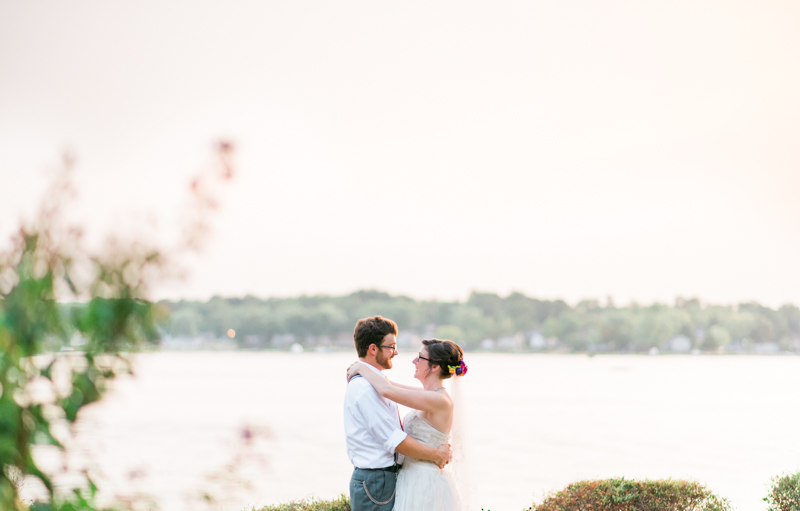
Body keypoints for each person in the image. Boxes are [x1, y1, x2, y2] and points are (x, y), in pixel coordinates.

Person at [344, 316, 451, 511]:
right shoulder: (367, 388)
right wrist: (436, 454)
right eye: (391, 346)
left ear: (435, 367)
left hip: (395, 478)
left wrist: (360, 367)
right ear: (373, 349)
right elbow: (395, 440)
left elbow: (389, 388)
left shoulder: (378, 384)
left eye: (420, 358)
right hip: (377, 480)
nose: (396, 352)